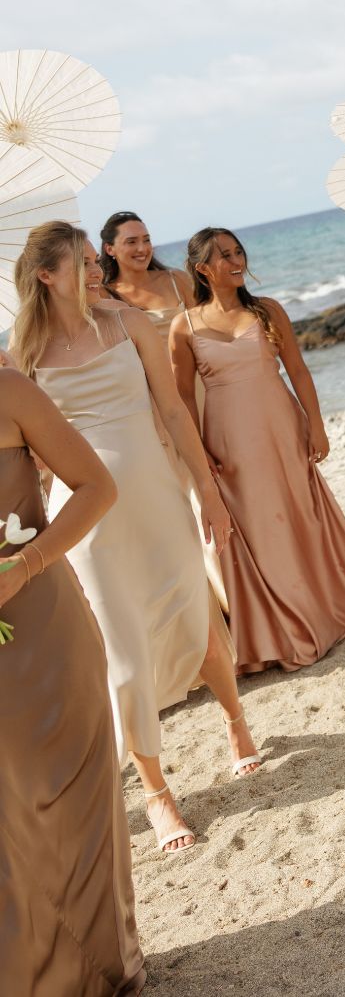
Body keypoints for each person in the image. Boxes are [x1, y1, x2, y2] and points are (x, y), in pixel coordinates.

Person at [12, 222, 261, 859]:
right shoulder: (24, 353)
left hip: (156, 493)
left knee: (195, 621)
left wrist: (206, 492)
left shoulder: (130, 325)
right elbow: (26, 449)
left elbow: (174, 412)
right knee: (122, 653)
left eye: (98, 262)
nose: (98, 273)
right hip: (86, 517)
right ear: (47, 276)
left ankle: (234, 718)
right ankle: (156, 792)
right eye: (84, 264)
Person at [171, 227, 345, 674]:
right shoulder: (184, 327)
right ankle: (282, 631)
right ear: (202, 269)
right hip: (228, 439)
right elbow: (182, 401)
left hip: (282, 426)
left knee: (301, 515)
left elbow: (299, 372)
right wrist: (198, 452)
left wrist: (316, 426)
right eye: (224, 255)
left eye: (238, 251)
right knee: (257, 529)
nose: (236, 260)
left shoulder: (267, 310)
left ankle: (327, 612)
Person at [0, 366, 146, 994]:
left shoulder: (11, 391)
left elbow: (96, 487)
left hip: (41, 628)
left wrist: (24, 565)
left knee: (69, 805)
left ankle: (101, 967)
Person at [101, 208, 229, 612]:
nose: (142, 248)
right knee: (193, 493)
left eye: (145, 239)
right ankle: (223, 604)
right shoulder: (106, 296)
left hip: (204, 394)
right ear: (110, 249)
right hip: (157, 410)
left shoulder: (176, 280)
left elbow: (203, 330)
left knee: (228, 480)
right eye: (131, 242)